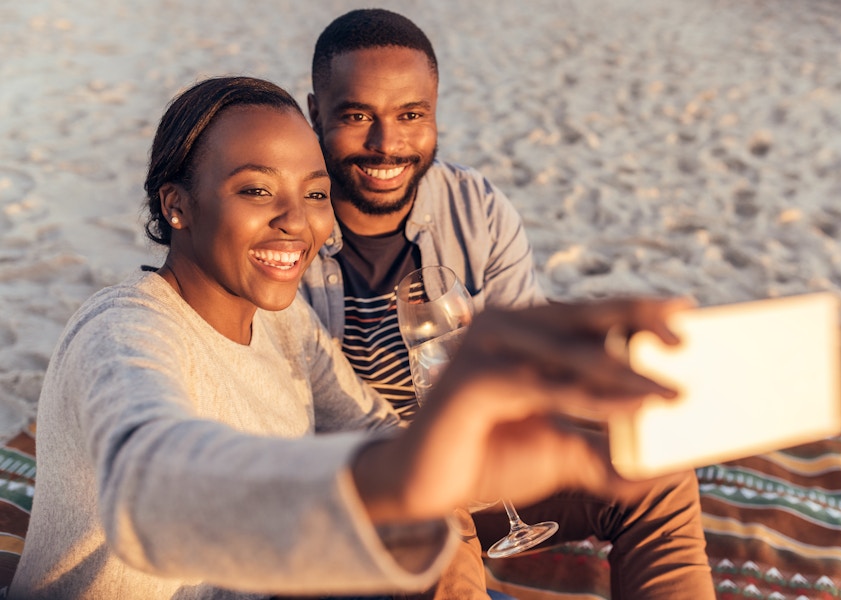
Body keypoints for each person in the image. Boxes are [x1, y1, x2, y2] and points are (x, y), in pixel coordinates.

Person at [9, 75, 697, 600]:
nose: (295, 223)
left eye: (312, 195)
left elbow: (368, 424)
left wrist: (446, 501)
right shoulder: (125, 329)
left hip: (276, 575)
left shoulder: (277, 317)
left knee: (641, 464)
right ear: (176, 206)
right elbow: (149, 484)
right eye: (255, 191)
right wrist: (403, 486)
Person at [300, 9, 716, 599]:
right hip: (378, 480)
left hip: (483, 456)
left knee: (658, 469)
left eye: (411, 115)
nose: (386, 143)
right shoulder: (285, 231)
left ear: (435, 113)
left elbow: (529, 376)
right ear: (316, 112)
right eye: (357, 115)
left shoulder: (477, 209)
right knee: (435, 530)